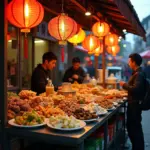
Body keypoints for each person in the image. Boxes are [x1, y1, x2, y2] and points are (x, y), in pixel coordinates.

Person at [120, 53, 145, 150]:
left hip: (135, 105)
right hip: (133, 103)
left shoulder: (138, 74)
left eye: (129, 61)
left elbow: (136, 89)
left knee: (134, 128)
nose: (128, 62)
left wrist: (124, 85)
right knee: (133, 127)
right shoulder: (137, 72)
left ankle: (138, 148)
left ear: (134, 62)